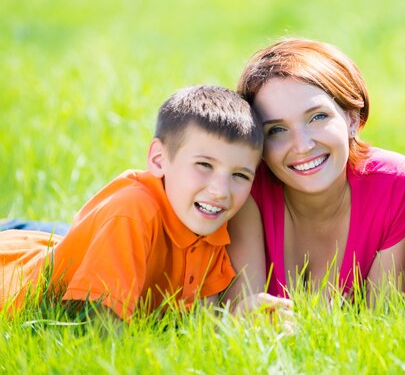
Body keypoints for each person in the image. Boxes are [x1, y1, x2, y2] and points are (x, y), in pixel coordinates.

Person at [0, 85, 277, 320]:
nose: (220, 191)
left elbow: (200, 330)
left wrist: (238, 321)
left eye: (240, 175)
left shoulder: (210, 222)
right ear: (158, 159)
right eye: (204, 165)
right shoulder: (132, 212)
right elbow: (104, 328)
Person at [228, 38, 405, 299]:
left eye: (317, 117)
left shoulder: (391, 183)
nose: (302, 146)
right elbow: (246, 320)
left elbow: (382, 321)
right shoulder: (248, 188)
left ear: (352, 119)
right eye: (276, 130)